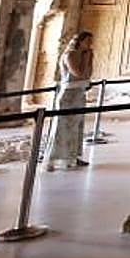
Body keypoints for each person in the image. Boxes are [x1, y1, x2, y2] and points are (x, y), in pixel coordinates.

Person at [46, 31, 93, 171]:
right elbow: (78, 74)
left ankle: (73, 157)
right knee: (62, 128)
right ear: (80, 41)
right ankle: (52, 159)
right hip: (68, 95)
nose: (90, 44)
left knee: (77, 127)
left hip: (79, 93)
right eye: (88, 41)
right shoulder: (70, 55)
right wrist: (86, 59)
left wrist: (89, 58)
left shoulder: (86, 55)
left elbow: (88, 74)